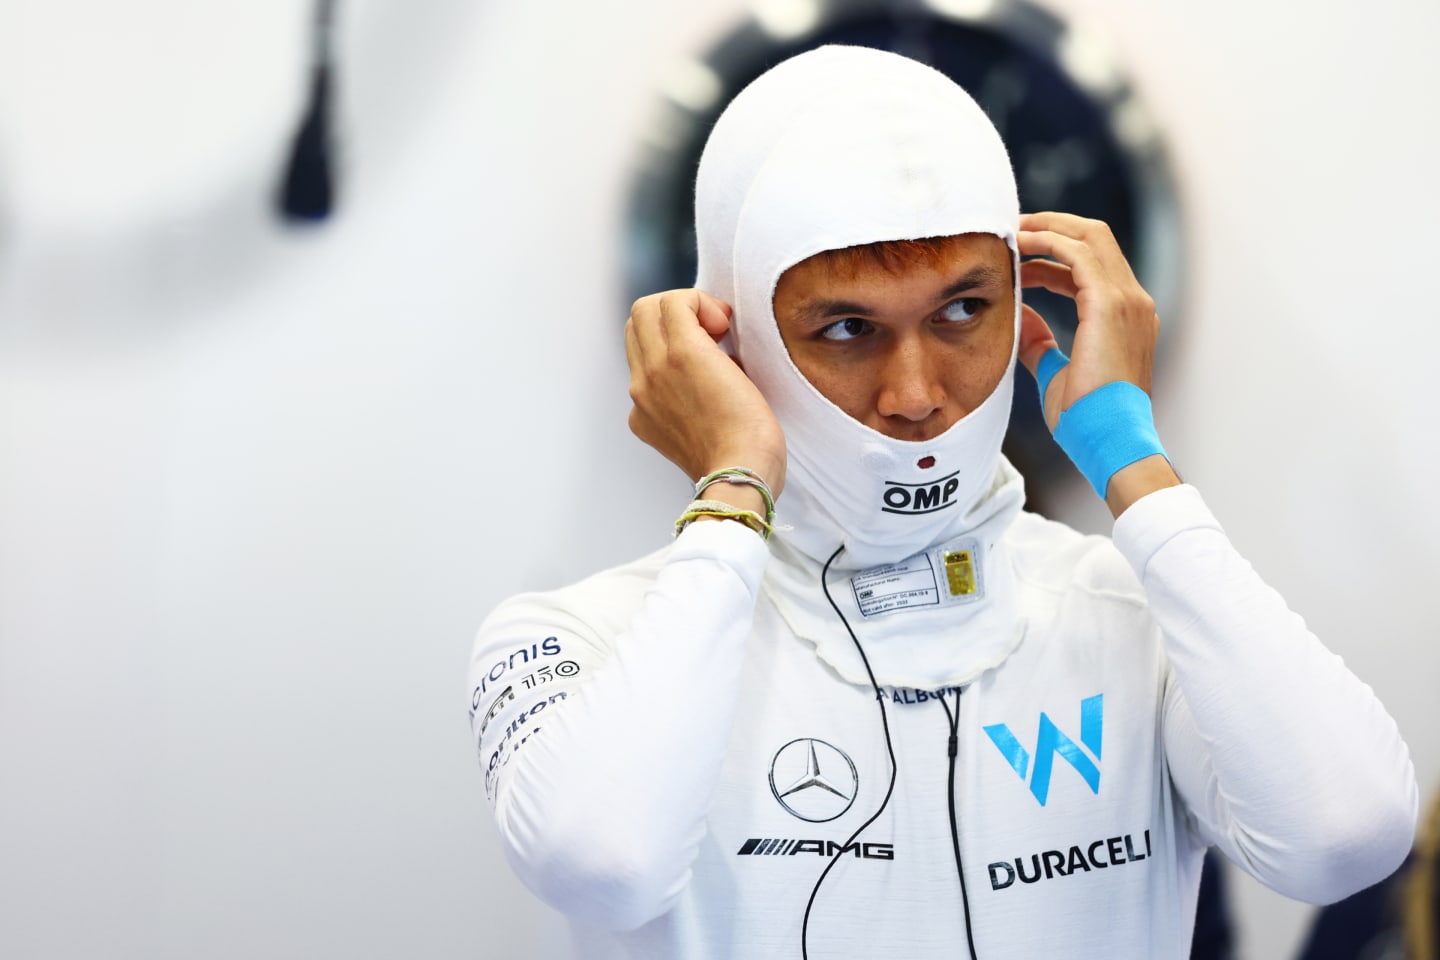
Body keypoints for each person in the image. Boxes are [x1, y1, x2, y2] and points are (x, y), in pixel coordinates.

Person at [468, 45, 1417, 958]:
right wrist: (732, 492)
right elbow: (604, 866)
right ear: (729, 339)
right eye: (847, 327)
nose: (917, 393)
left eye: (963, 310)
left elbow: (1347, 836)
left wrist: (1134, 463)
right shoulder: (581, 638)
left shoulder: (1133, 615)